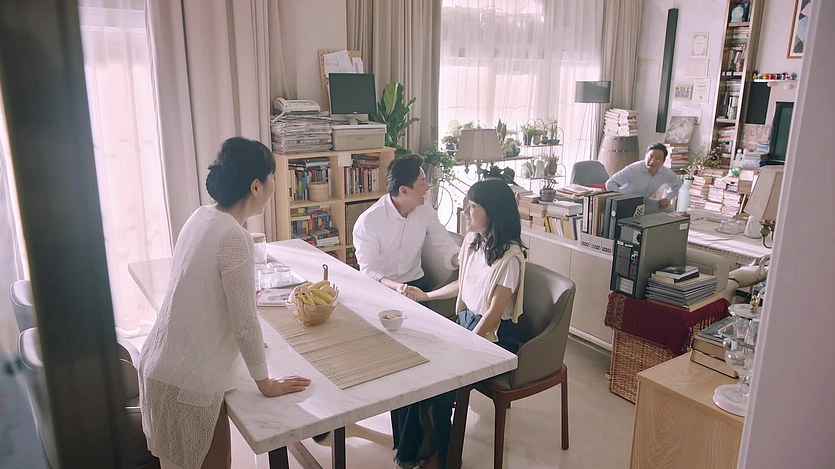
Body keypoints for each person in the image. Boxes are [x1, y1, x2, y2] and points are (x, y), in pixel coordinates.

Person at [138, 137, 311, 469]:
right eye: (273, 176)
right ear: (256, 186)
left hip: (159, 365)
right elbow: (245, 322)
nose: (275, 185)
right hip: (187, 382)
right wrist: (267, 384)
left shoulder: (201, 216)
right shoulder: (235, 238)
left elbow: (207, 300)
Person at [393, 179, 527, 469]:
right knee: (416, 372)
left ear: (493, 212)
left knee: (440, 389)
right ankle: (413, 452)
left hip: (494, 339)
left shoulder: (511, 258)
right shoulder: (473, 242)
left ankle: (444, 458)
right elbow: (462, 284)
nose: (466, 211)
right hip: (467, 326)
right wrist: (426, 295)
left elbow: (493, 313)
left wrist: (466, 345)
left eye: (473, 206)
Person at [352, 153, 460, 299]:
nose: (427, 187)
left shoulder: (425, 209)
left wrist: (462, 259)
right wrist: (397, 287)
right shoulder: (369, 221)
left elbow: (444, 242)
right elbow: (369, 271)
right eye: (422, 182)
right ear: (404, 190)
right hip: (384, 286)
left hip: (416, 284)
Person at [605, 143, 682, 213]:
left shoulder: (665, 172)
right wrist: (620, 198)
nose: (652, 161)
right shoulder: (633, 169)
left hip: (644, 202)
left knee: (669, 209)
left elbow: (677, 184)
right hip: (626, 204)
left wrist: (667, 198)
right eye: (650, 157)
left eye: (657, 159)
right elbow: (610, 183)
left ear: (663, 161)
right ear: (645, 156)